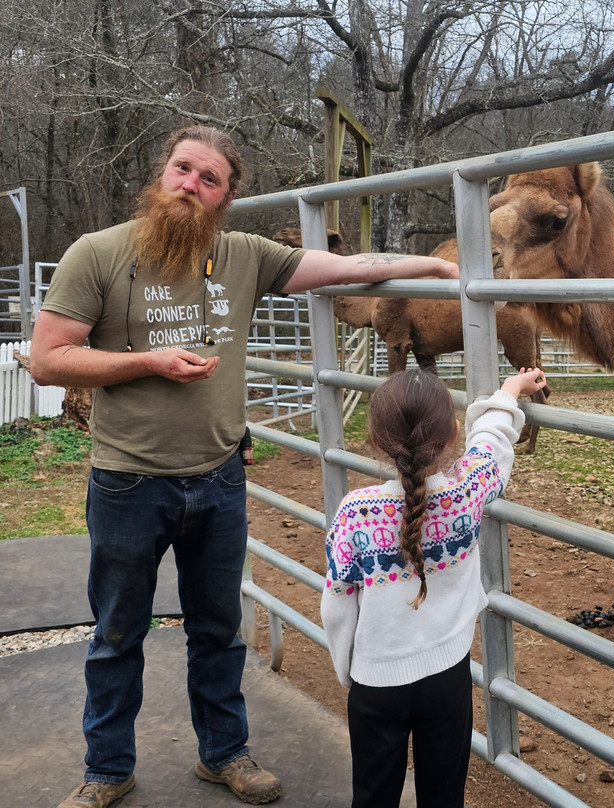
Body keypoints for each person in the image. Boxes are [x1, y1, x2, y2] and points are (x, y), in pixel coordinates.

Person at [29, 124, 458, 808]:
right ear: (162, 172)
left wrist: (433, 267)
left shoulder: (244, 255)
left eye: (209, 179)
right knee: (116, 632)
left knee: (218, 630)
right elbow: (48, 359)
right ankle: (107, 769)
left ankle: (224, 754)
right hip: (129, 481)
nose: (190, 185)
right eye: (182, 168)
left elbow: (348, 267)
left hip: (220, 478)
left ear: (225, 198)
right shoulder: (99, 253)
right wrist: (149, 362)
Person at [321, 366, 547, 808]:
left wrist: (351, 670)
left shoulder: (355, 512)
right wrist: (509, 389)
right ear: (453, 435)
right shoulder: (467, 491)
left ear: (376, 440)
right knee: (444, 795)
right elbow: (492, 445)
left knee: (372, 795)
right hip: (447, 677)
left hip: (375, 684)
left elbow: (337, 604)